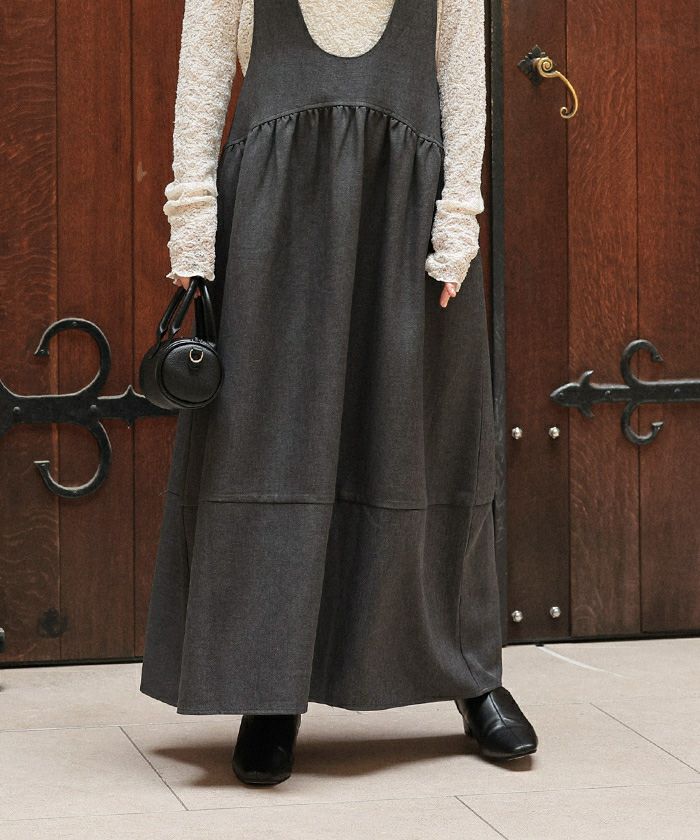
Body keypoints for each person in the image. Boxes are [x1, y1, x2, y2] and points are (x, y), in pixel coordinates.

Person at [139, 0, 538, 786]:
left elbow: (465, 85)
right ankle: (269, 689)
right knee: (271, 451)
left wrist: (459, 221)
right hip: (274, 223)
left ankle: (470, 675)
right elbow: (201, 84)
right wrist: (192, 227)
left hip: (406, 224)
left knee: (425, 445)